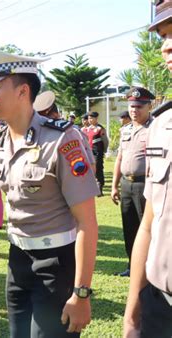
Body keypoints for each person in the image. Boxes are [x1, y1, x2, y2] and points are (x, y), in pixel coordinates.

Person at [0, 46, 99, 337]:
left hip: (56, 263)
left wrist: (81, 294)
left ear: (23, 91)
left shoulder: (62, 140)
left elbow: (87, 221)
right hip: (18, 261)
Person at [123, 2, 172, 336]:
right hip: (158, 301)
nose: (166, 45)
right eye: (165, 35)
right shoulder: (164, 124)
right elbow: (149, 224)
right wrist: (131, 310)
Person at [111, 87, 155, 278]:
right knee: (129, 227)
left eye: (138, 106)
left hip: (146, 185)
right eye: (131, 106)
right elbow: (119, 158)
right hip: (127, 186)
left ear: (149, 106)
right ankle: (133, 266)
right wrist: (114, 185)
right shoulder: (125, 130)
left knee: (148, 228)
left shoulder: (155, 128)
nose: (134, 110)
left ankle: (150, 268)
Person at [84, 111, 109, 195]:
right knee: (89, 170)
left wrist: (104, 151)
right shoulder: (86, 129)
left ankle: (99, 188)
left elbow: (105, 141)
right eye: (88, 118)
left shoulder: (100, 128)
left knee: (98, 169)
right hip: (88, 152)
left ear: (96, 118)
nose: (90, 120)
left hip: (97, 152)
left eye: (91, 118)